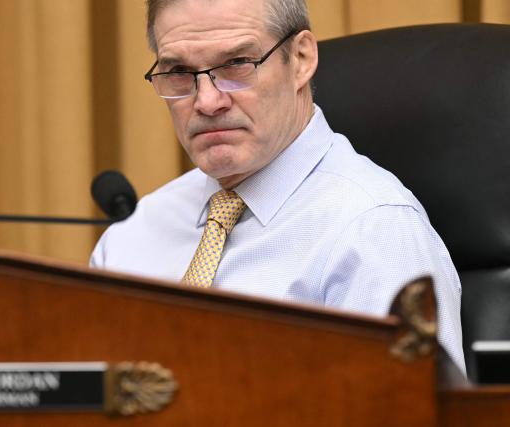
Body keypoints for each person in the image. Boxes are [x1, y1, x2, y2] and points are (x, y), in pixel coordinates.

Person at [90, 0, 465, 374]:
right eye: (179, 71)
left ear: (300, 59)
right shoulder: (131, 236)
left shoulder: (374, 230)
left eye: (236, 64)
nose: (206, 100)